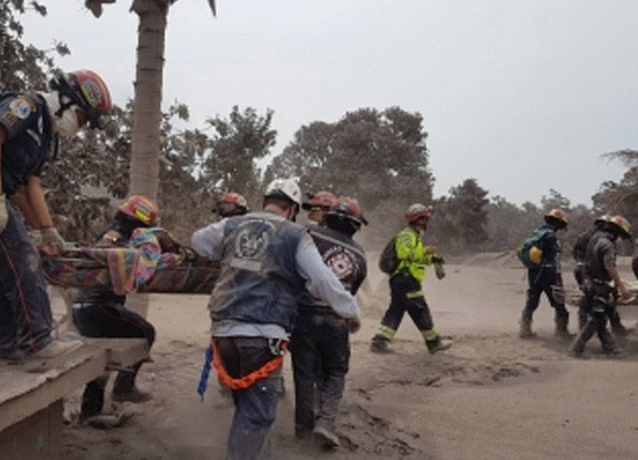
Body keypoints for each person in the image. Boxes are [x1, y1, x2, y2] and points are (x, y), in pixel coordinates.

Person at [0, 69, 112, 361]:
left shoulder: (44, 136)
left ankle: (3, 345)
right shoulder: (27, 106)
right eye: (81, 118)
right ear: (67, 101)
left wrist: (46, 229)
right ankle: (37, 341)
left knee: (1, 269)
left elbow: (28, 186)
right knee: (23, 258)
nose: (78, 127)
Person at [191, 178, 361, 460]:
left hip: (223, 331)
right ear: (293, 209)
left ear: (265, 201)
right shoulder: (294, 234)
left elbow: (198, 241)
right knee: (257, 417)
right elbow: (323, 281)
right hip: (261, 334)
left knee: (247, 409)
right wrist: (350, 311)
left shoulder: (232, 225)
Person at [73, 195, 160, 419]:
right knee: (146, 332)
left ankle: (89, 413)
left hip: (85, 309)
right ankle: (124, 388)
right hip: (99, 308)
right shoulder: (117, 237)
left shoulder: (112, 233)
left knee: (102, 360)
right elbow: (110, 252)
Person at [292, 197, 368, 449]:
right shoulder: (359, 254)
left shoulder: (308, 236)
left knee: (304, 374)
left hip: (304, 316)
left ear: (328, 216)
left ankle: (303, 430)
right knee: (335, 372)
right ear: (356, 226)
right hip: (336, 321)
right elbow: (351, 292)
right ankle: (326, 422)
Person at [370, 203, 452, 354]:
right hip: (406, 279)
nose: (424, 223)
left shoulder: (415, 236)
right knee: (420, 309)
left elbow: (416, 259)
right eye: (422, 219)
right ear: (415, 219)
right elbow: (404, 254)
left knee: (396, 310)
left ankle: (380, 341)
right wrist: (424, 251)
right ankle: (433, 342)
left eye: (425, 219)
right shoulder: (407, 235)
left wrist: (432, 259)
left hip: (403, 279)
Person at [570, 215, 631, 357]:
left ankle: (611, 348)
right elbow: (610, 266)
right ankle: (576, 348)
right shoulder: (608, 245)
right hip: (599, 285)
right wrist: (621, 286)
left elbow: (584, 260)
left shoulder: (595, 240)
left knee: (599, 317)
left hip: (589, 282)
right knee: (596, 318)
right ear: (617, 233)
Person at [518, 209, 572, 339]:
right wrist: (558, 278)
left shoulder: (536, 233)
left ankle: (524, 329)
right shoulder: (551, 237)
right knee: (559, 302)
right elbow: (555, 259)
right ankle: (562, 331)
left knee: (532, 300)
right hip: (548, 273)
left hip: (534, 272)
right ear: (559, 224)